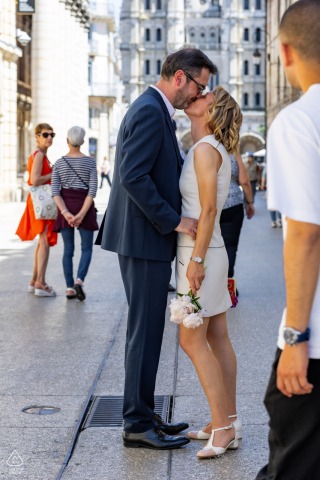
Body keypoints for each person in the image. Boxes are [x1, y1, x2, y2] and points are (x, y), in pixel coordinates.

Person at [96, 47, 217, 450]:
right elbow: (132, 175)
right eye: (199, 85)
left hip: (143, 238)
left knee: (146, 332)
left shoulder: (154, 107)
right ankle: (136, 423)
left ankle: (145, 415)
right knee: (144, 334)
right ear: (180, 77)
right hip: (144, 238)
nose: (199, 94)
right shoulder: (150, 109)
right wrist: (175, 220)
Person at [256, 1, 320, 478]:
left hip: (315, 336)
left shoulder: (298, 122)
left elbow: (303, 234)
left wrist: (295, 336)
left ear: (284, 52)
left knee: (292, 463)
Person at [176, 86, 243, 459]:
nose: (194, 97)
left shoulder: (204, 150)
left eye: (203, 97)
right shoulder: (210, 148)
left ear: (211, 111)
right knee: (217, 336)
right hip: (210, 250)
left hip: (201, 252)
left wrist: (196, 261)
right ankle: (226, 418)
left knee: (192, 340)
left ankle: (223, 427)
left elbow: (209, 210)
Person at [52, 126, 98, 301]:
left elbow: (55, 191)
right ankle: (79, 280)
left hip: (65, 207)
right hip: (84, 207)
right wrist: (81, 214)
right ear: (83, 142)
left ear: (67, 141)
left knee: (68, 250)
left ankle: (69, 287)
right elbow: (92, 191)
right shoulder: (90, 162)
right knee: (86, 248)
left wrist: (66, 213)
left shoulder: (59, 163)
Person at [16, 123, 58, 297]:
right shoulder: (39, 155)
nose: (49, 137)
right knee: (44, 242)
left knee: (42, 241)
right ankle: (41, 282)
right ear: (37, 136)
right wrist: (54, 173)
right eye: (45, 134)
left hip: (39, 202)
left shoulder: (40, 154)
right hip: (42, 202)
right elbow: (34, 180)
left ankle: (35, 281)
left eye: (52, 134)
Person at [220, 152, 255, 306]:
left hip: (209, 205)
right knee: (230, 246)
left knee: (211, 246)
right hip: (232, 205)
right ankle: (228, 286)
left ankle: (212, 286)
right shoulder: (233, 153)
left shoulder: (206, 147)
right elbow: (244, 181)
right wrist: (250, 202)